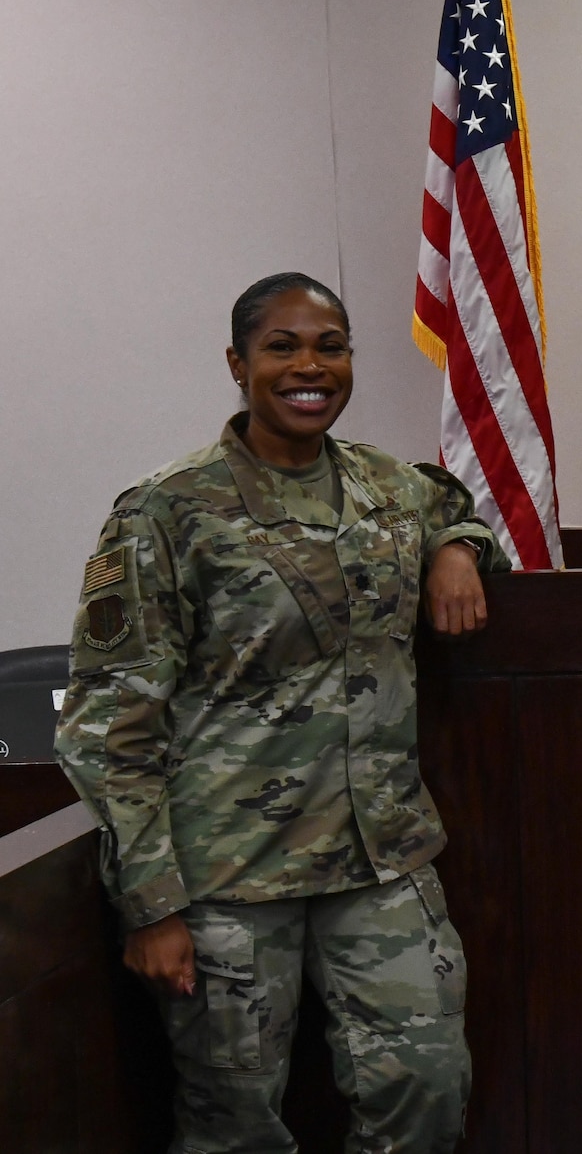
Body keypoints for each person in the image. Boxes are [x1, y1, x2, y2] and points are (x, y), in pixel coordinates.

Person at [56, 273, 507, 1151]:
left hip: (380, 861)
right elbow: (112, 726)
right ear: (238, 363)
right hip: (228, 877)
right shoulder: (168, 511)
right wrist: (150, 906)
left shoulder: (389, 488)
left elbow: (454, 503)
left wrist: (457, 547)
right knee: (236, 1123)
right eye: (283, 346)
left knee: (428, 1081)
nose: (310, 366)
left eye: (330, 346)